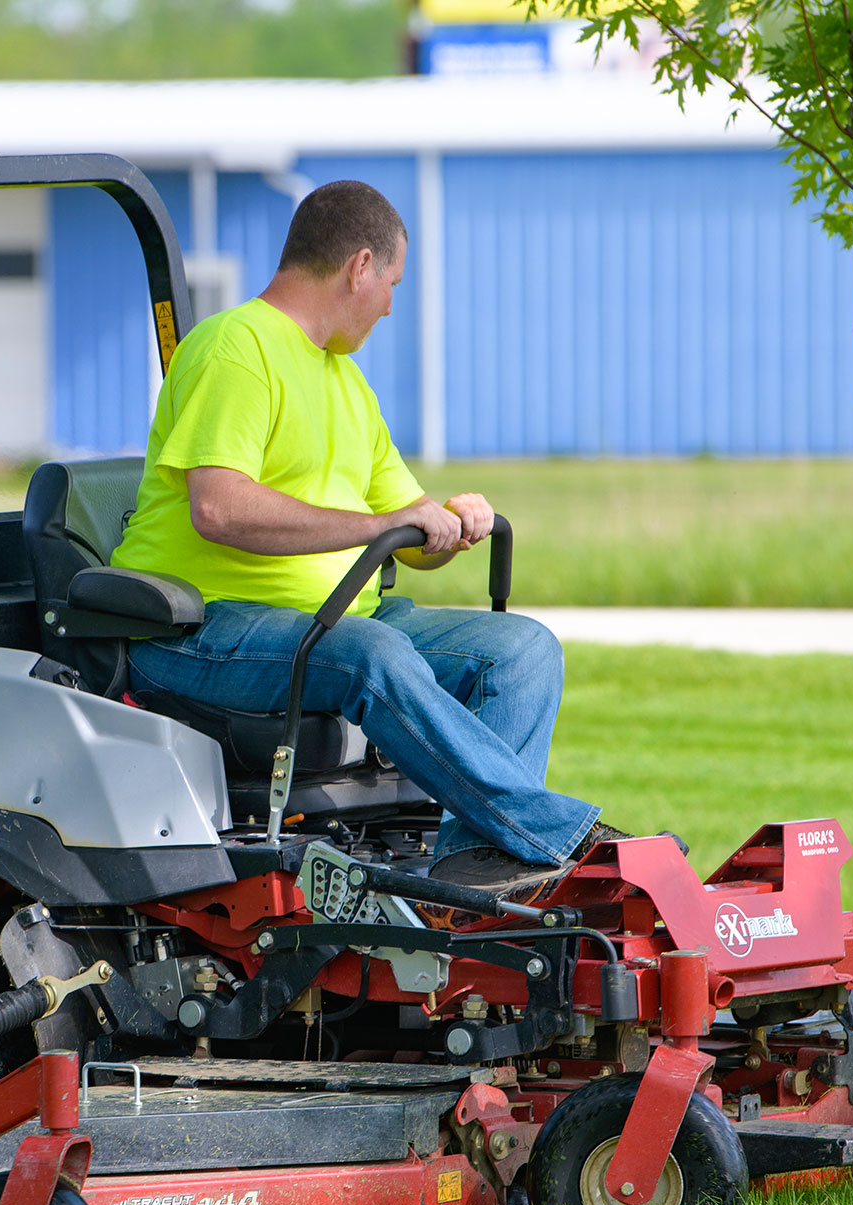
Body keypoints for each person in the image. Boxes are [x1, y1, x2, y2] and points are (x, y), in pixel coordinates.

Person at [112, 179, 620, 894]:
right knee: (371, 654)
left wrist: (449, 524)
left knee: (523, 650)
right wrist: (381, 525)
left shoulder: (347, 384)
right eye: (391, 282)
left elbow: (403, 528)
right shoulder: (235, 348)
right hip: (202, 630)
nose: (389, 303)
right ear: (358, 266)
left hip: (339, 619)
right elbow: (218, 510)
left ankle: (474, 862)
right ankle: (552, 834)